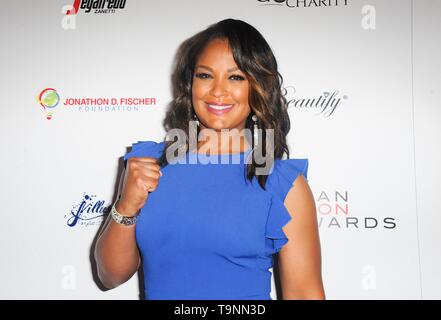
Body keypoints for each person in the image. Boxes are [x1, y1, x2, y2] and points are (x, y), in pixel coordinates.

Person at [94, 18, 325, 300]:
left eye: (236, 77)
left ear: (258, 88)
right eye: (205, 75)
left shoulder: (283, 184)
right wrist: (126, 205)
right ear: (189, 84)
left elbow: (304, 293)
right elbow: (110, 275)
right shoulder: (147, 164)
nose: (218, 91)